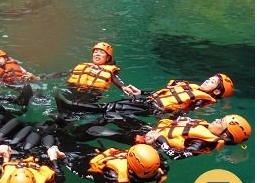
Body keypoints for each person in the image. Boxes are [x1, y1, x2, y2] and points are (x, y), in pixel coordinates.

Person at [55, 73, 234, 118]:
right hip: (148, 101)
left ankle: (70, 107)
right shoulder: (192, 87)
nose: (207, 80)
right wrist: (140, 92)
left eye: (212, 82)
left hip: (155, 109)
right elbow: (165, 93)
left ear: (217, 91)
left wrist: (166, 118)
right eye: (210, 78)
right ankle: (72, 111)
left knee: (110, 108)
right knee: (113, 107)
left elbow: (186, 109)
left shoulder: (205, 100)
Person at [140, 114, 251, 159]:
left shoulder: (202, 143)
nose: (216, 119)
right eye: (220, 118)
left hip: (149, 143)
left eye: (219, 122)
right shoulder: (205, 127)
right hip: (152, 130)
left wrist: (159, 138)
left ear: (224, 135)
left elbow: (175, 156)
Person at [73, 144, 168, 183]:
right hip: (109, 157)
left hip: (92, 160)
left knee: (73, 148)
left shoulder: (114, 176)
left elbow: (85, 174)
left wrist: (67, 162)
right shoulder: (163, 169)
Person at [65, 42, 140, 96]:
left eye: (101, 52)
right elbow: (70, 73)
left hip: (94, 91)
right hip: (74, 88)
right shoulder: (84, 66)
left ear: (107, 58)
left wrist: (123, 87)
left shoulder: (109, 70)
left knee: (85, 99)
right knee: (68, 95)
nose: (97, 54)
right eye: (95, 52)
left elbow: (115, 79)